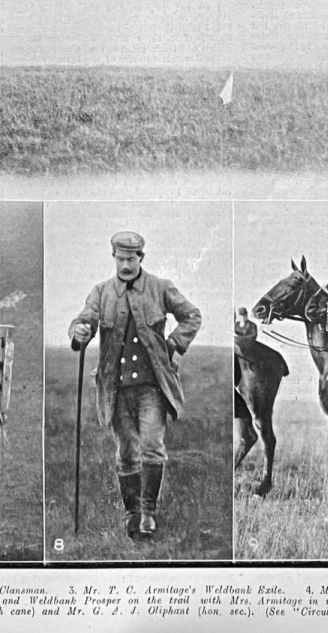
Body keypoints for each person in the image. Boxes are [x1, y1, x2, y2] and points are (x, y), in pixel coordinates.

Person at [69, 231, 201, 540]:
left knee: (152, 447)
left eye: (131, 259)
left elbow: (192, 316)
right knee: (127, 452)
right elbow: (85, 319)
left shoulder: (160, 287)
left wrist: (173, 344)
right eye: (121, 259)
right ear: (113, 258)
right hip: (116, 390)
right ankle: (132, 513)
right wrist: (79, 331)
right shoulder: (101, 292)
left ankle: (148, 513)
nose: (126, 265)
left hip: (152, 388)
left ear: (141, 258)